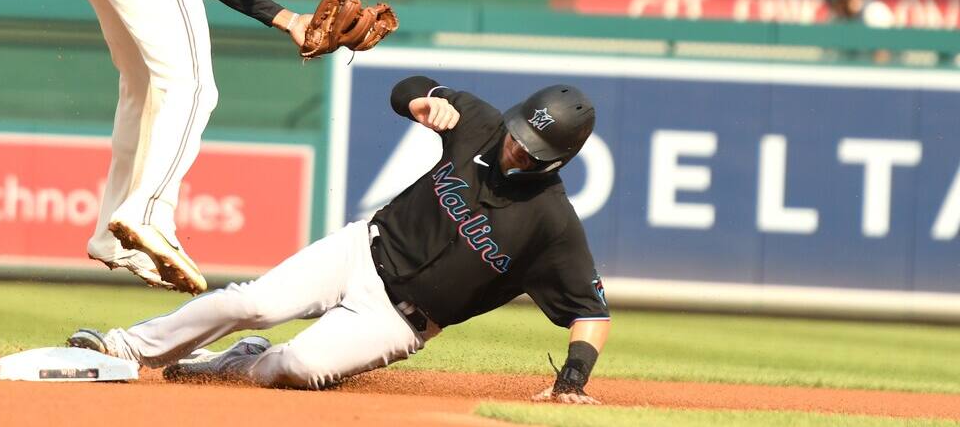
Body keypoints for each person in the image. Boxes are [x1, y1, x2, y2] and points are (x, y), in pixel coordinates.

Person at [67, 75, 613, 403]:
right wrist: (421, 100)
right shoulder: (481, 124)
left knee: (297, 368)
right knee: (252, 301)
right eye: (519, 132)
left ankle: (234, 363)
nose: (515, 147)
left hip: (400, 321)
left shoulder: (552, 224)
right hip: (359, 250)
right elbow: (409, 89)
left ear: (559, 159)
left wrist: (572, 379)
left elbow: (591, 312)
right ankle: (126, 347)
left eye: (531, 146)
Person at [53, 0, 313, 293]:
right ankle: (149, 213)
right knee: (193, 89)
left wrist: (290, 19)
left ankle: (109, 238)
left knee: (141, 91)